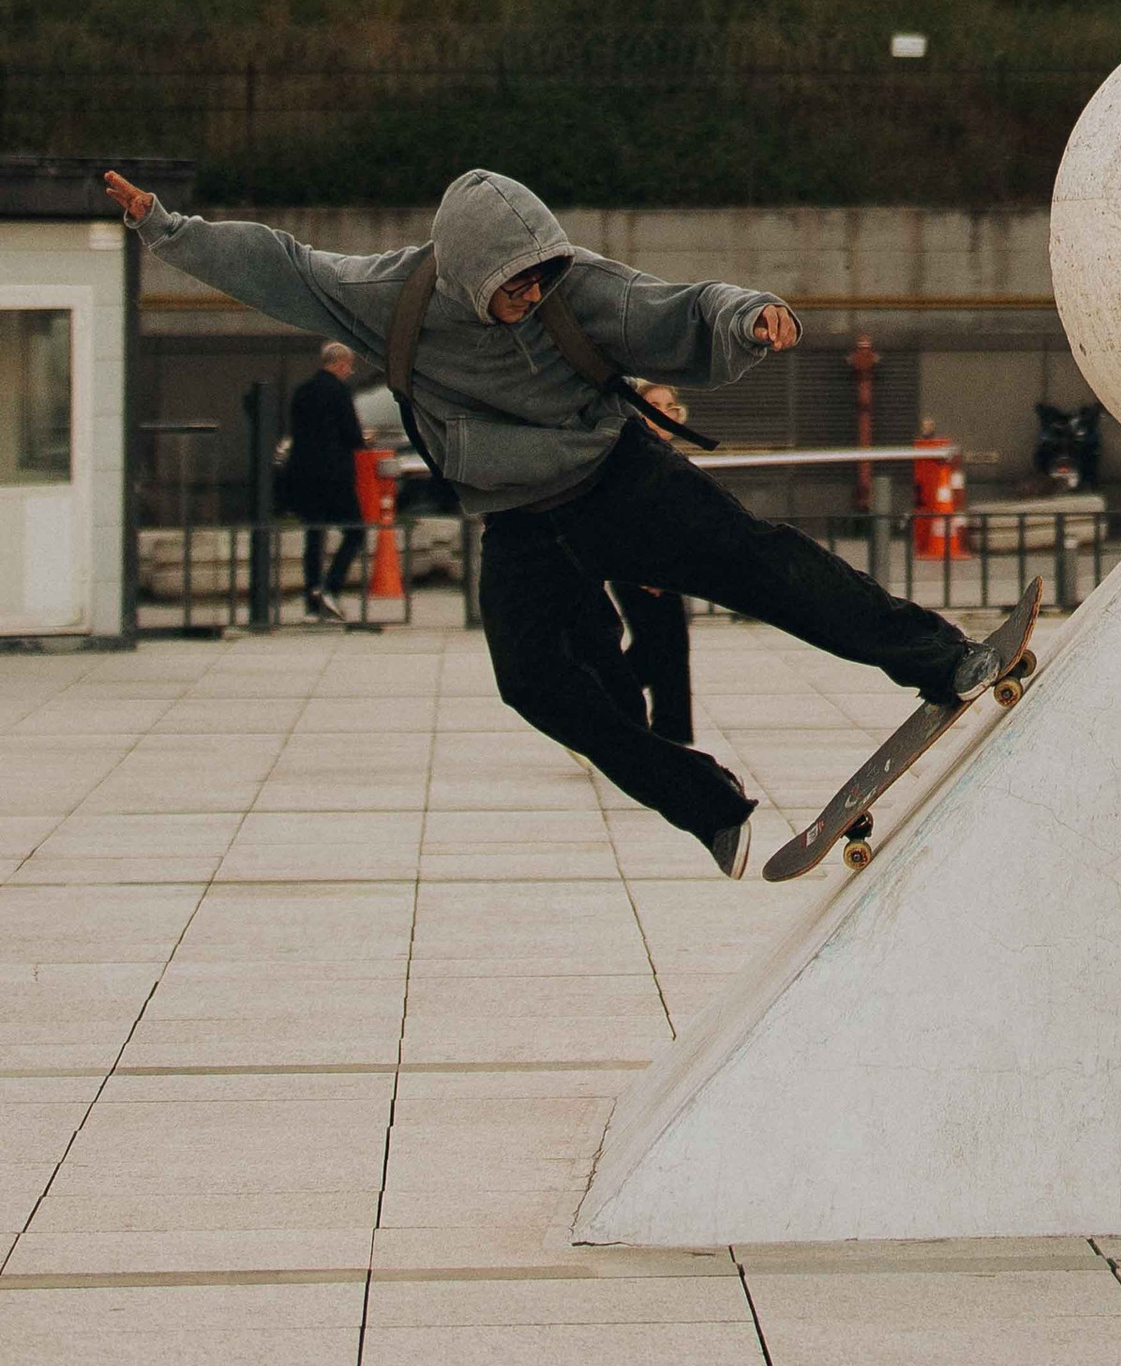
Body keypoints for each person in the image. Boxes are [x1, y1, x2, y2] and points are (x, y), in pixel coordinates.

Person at [104, 164, 1012, 873]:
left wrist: (751, 317)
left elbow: (679, 306)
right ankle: (707, 803)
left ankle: (941, 656)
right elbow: (282, 265)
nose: (531, 298)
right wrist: (162, 227)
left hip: (619, 480)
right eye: (513, 288)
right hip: (518, 523)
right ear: (465, 275)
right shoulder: (391, 299)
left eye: (539, 280)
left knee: (762, 565)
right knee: (529, 681)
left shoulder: (581, 288)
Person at [279, 340, 367, 622]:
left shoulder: (303, 391)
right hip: (334, 474)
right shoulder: (339, 392)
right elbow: (352, 435)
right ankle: (331, 587)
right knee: (355, 531)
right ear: (341, 364)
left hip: (303, 474)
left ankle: (311, 601)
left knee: (313, 536)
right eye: (349, 368)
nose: (348, 372)